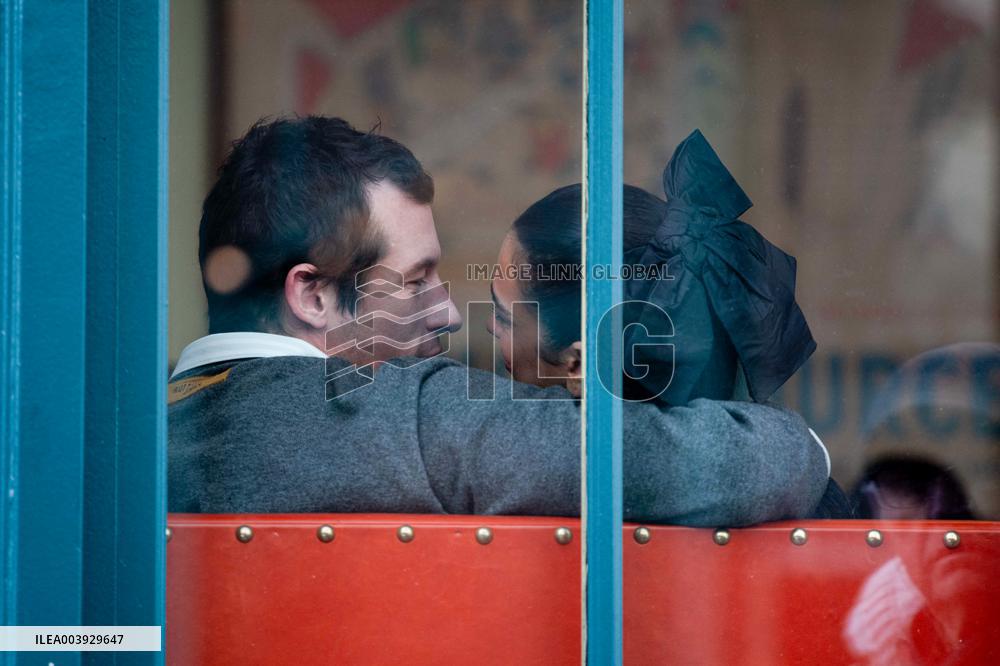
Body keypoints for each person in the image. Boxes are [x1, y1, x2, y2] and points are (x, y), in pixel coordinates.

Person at [168, 115, 829, 526]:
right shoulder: (413, 420)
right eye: (417, 278)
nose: (452, 312)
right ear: (312, 295)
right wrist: (814, 450)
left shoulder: (127, 441)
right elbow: (737, 466)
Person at [491, 129, 850, 517]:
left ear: (577, 363)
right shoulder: (801, 493)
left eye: (503, 317)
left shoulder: (535, 483)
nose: (489, 328)